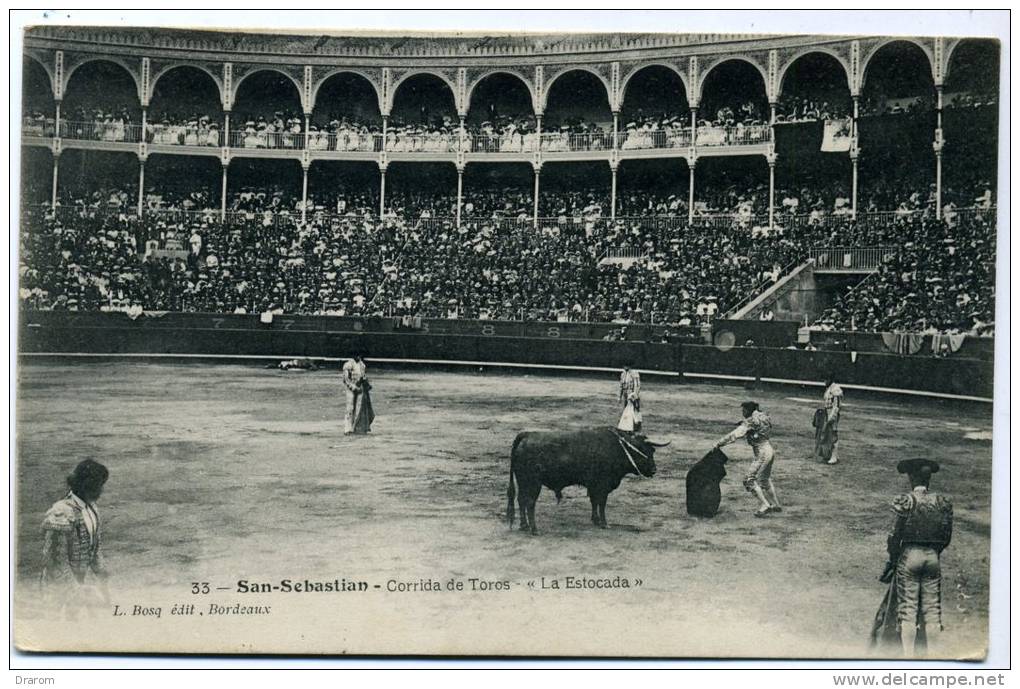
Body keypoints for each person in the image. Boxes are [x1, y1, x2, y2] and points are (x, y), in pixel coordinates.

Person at [871, 458, 953, 657]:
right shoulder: (942, 502)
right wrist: (935, 552)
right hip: (933, 557)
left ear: (911, 478)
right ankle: (933, 656)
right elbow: (946, 536)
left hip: (909, 556)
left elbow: (894, 535)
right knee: (932, 609)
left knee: (907, 608)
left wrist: (892, 560)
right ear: (929, 479)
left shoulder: (906, 500)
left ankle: (909, 656)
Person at [40, 459, 110, 618]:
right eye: (99, 485)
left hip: (83, 583)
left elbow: (95, 547)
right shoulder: (61, 512)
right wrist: (77, 591)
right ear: (87, 486)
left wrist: (102, 575)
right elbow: (54, 561)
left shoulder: (92, 508)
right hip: (59, 590)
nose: (101, 490)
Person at [714, 401, 781, 517]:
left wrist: (719, 443)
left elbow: (734, 435)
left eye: (744, 410)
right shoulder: (763, 416)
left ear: (749, 410)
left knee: (748, 480)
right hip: (769, 449)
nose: (742, 412)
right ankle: (776, 504)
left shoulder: (751, 421)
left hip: (762, 453)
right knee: (764, 479)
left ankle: (765, 505)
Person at [341, 353, 374, 435]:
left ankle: (355, 427)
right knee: (350, 408)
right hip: (351, 389)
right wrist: (354, 388)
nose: (358, 356)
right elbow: (346, 380)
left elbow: (363, 376)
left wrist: (366, 384)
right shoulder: (348, 365)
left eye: (359, 355)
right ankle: (347, 429)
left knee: (359, 408)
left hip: (360, 388)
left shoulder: (362, 365)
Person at [822, 375, 844, 464]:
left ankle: (834, 456)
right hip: (828, 413)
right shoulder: (830, 388)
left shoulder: (836, 390)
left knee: (833, 434)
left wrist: (831, 417)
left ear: (830, 379)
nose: (824, 382)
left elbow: (836, 406)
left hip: (832, 413)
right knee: (829, 434)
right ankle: (833, 455)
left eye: (825, 380)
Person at [617, 363, 642, 433]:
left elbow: (637, 386)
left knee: (635, 412)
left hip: (633, 397)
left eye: (626, 366)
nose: (624, 367)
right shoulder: (623, 374)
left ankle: (636, 428)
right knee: (627, 411)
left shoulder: (635, 373)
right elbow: (621, 386)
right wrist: (620, 396)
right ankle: (628, 427)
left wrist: (633, 395)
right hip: (626, 396)